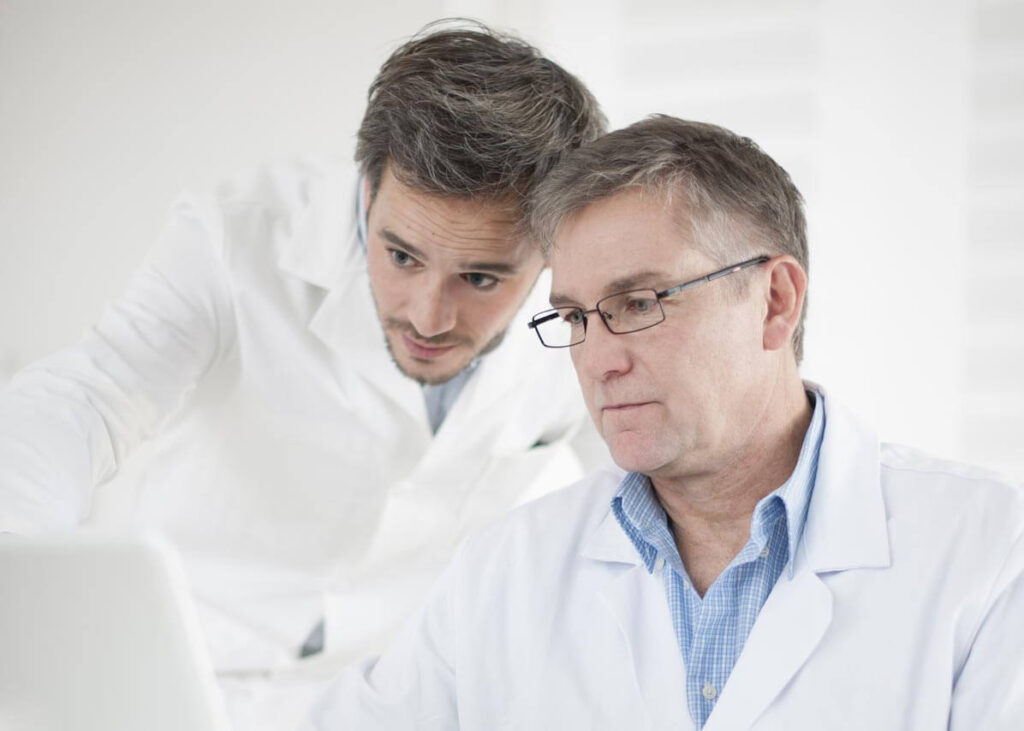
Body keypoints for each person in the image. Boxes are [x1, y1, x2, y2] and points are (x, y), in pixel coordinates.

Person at [306, 115, 1024, 730]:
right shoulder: (507, 568)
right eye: (576, 317)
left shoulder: (990, 550)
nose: (597, 360)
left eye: (641, 302)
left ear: (775, 300)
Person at [0, 20, 606, 727]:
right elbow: (90, 396)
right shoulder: (234, 238)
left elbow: (623, 488)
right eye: (402, 256)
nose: (430, 316)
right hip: (186, 672)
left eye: (480, 276)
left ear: (552, 249)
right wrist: (17, 554)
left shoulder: (592, 309)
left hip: (400, 694)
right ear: (368, 187)